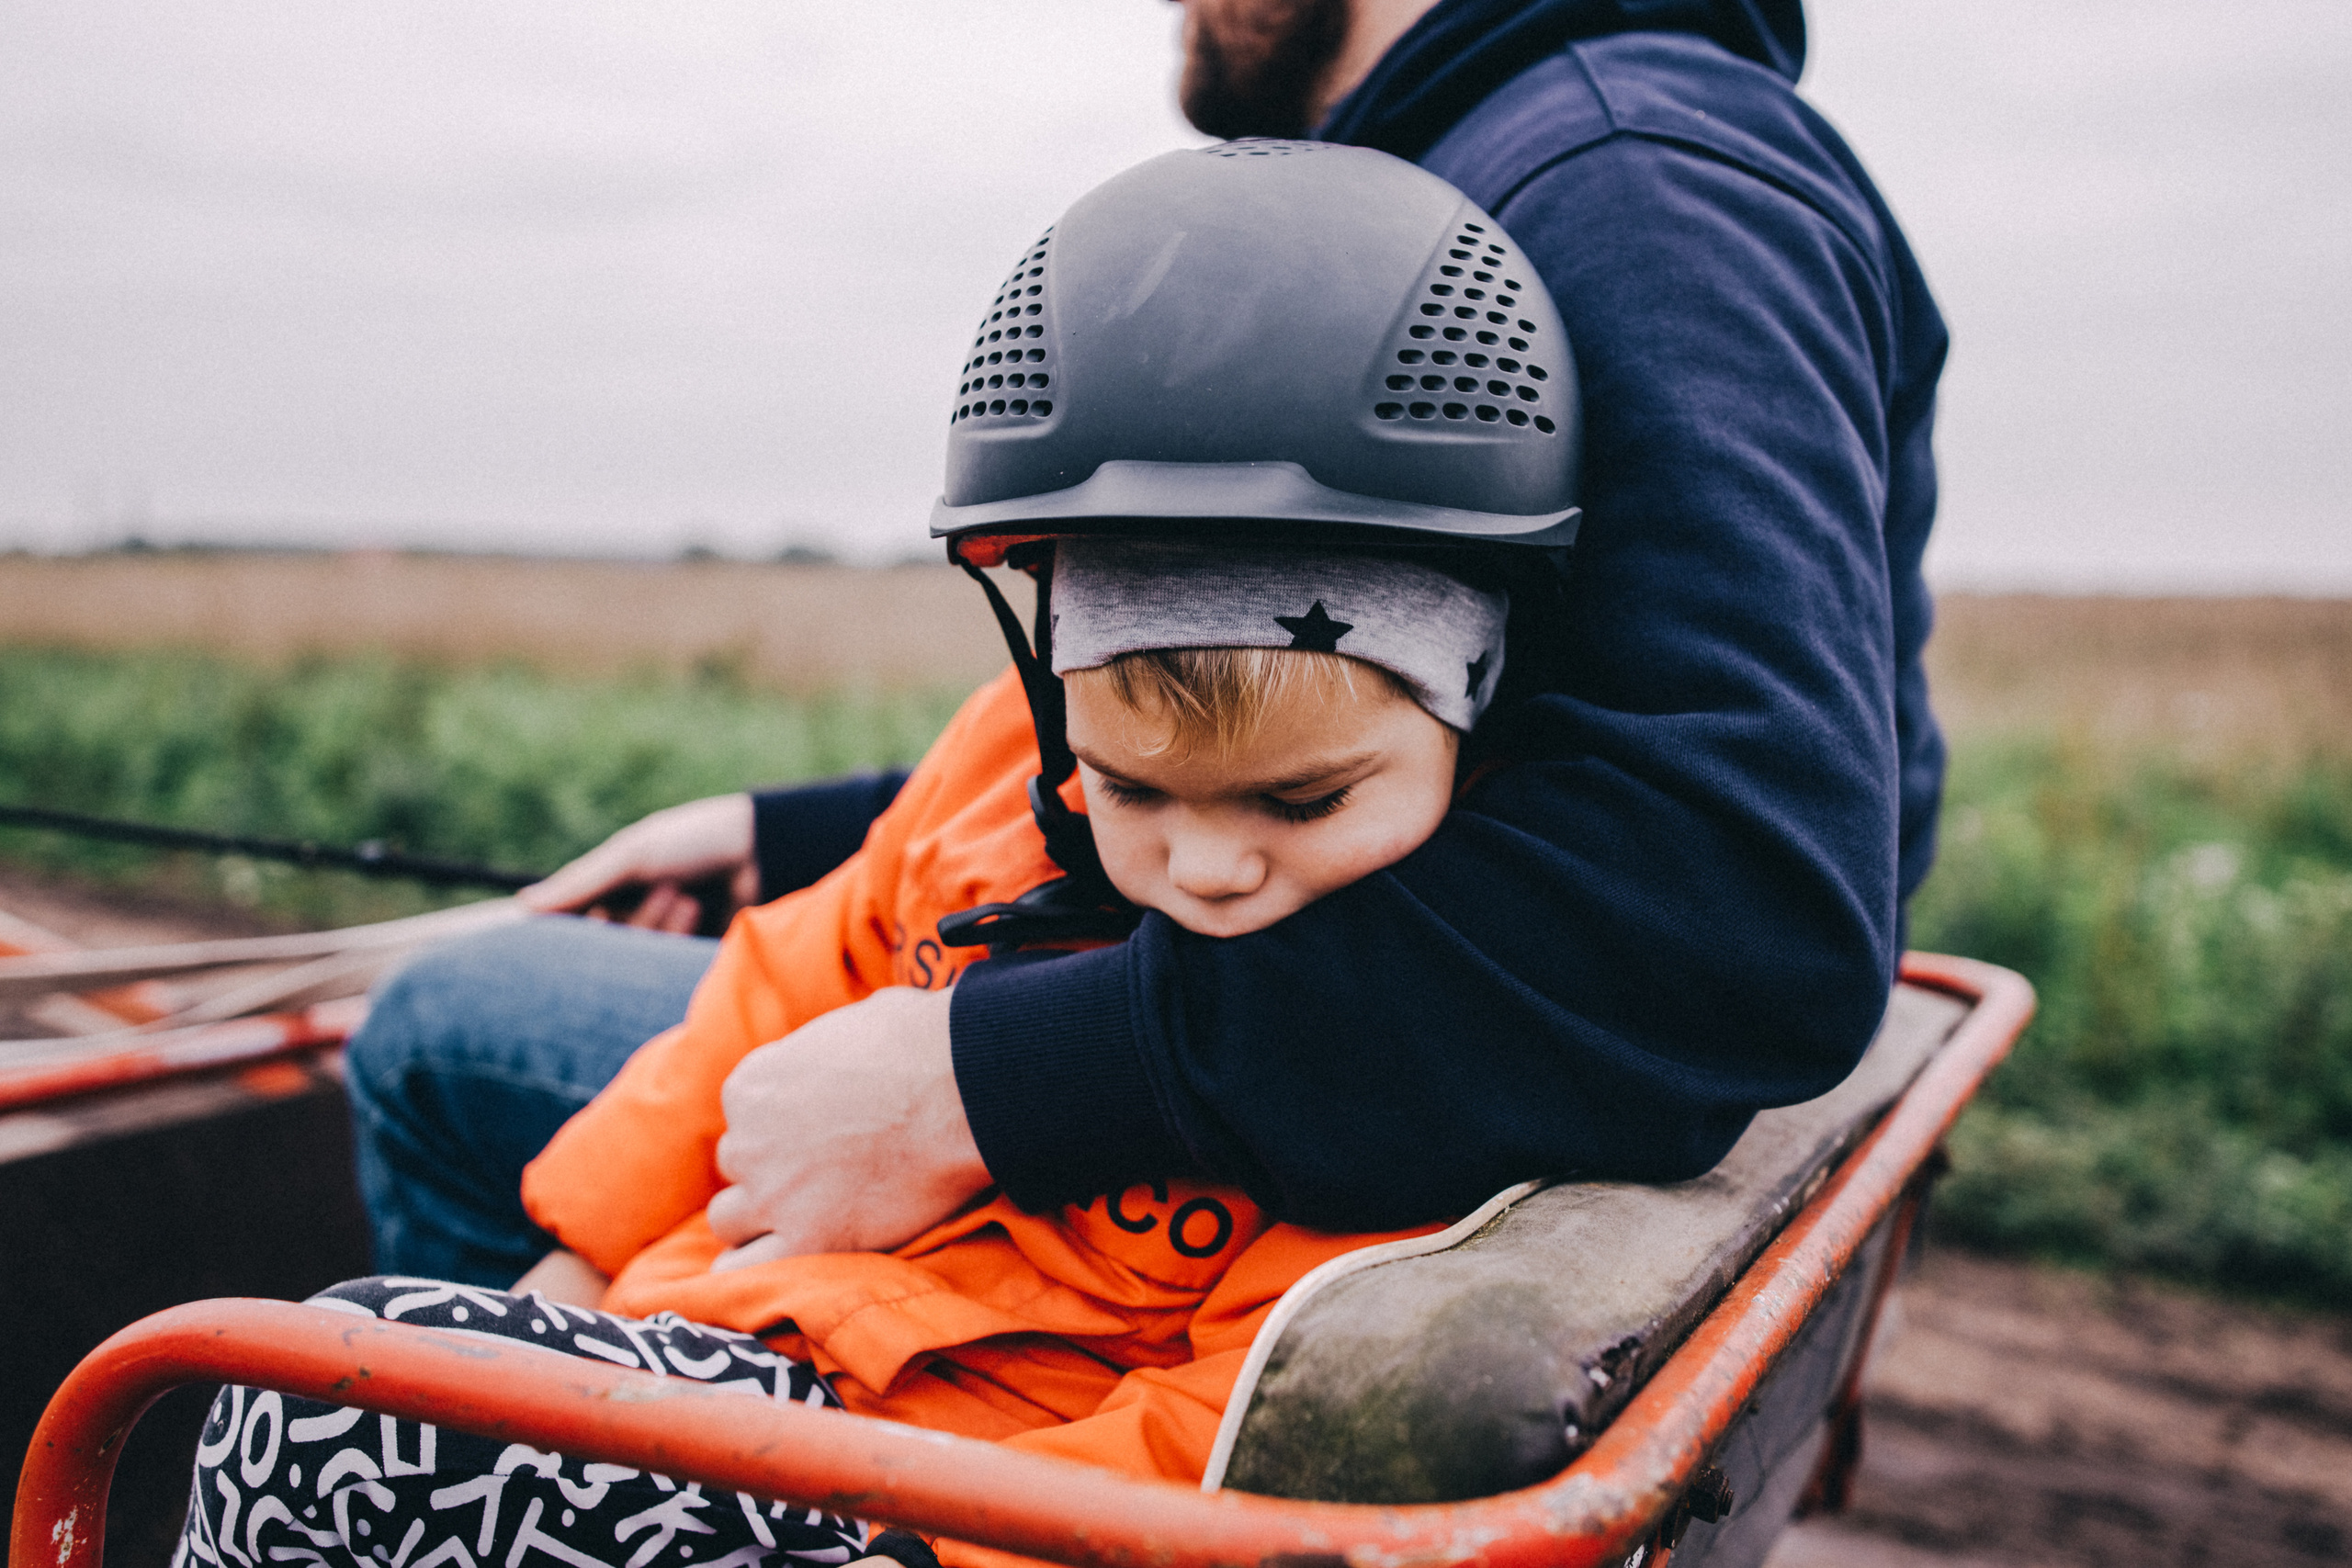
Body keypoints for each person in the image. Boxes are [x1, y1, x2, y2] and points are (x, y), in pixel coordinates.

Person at [349, 0, 1947, 1303]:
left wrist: (992, 1081)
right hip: (1291, 1035)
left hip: (1237, 1133)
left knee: (440, 1026)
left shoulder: (1633, 180)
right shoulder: (1523, 173)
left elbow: (1743, 908)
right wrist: (797, 835)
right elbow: (1299, 732)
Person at [181, 144, 1580, 1568]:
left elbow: (1205, 1431)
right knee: (343, 1372)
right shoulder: (992, 775)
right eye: (1129, 789)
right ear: (1052, 705)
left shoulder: (1406, 1036)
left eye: (1302, 802)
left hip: (918, 1484)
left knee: (314, 1418)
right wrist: (586, 1258)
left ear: (1468, 722)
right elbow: (784, 978)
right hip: (721, 1333)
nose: (1208, 866)